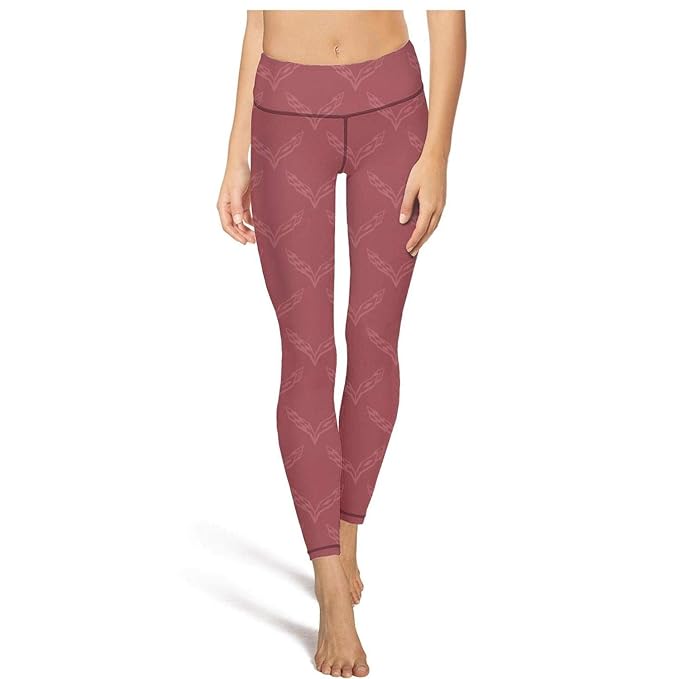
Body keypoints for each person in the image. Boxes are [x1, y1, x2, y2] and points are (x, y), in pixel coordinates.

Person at [217, 10, 466, 677]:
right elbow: (257, 18)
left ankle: (346, 530)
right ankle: (329, 583)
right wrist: (236, 154)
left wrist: (438, 154)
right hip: (285, 110)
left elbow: (448, 17)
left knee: (373, 338)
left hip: (393, 109)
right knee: (306, 352)